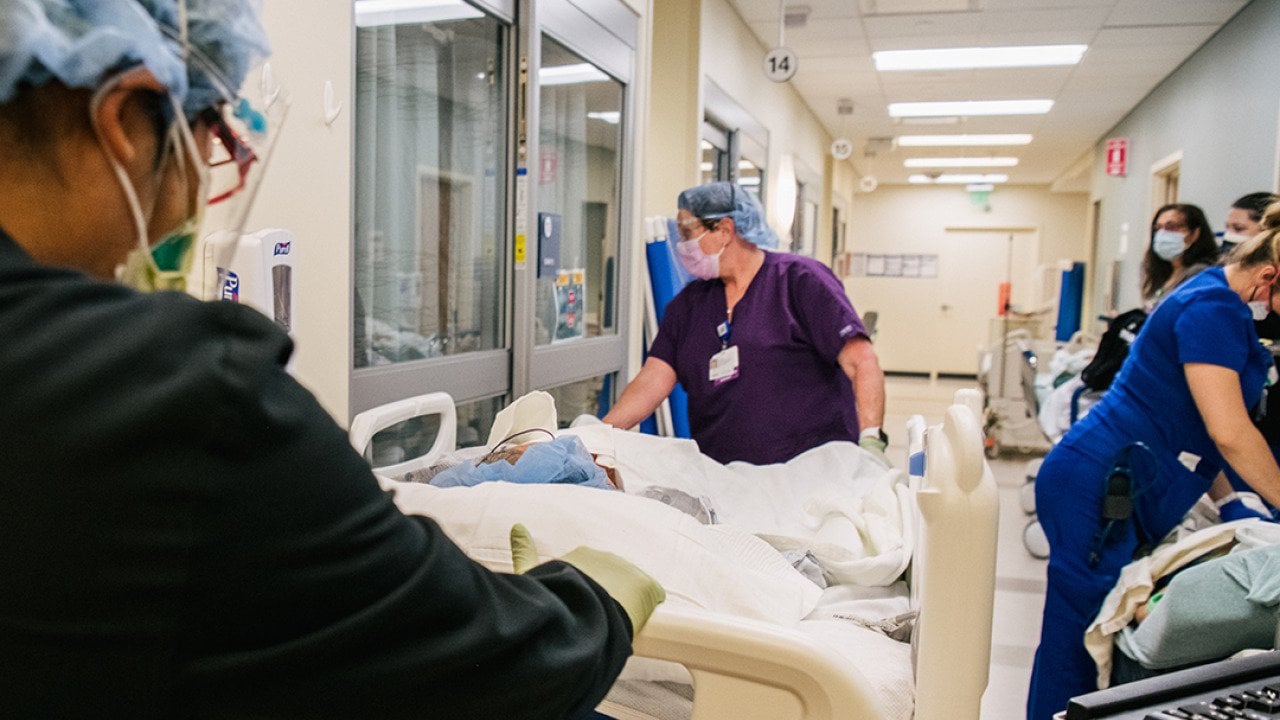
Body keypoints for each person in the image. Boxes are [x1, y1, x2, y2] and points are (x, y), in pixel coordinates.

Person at [0, 2, 662, 718]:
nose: (193, 199)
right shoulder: (178, 394)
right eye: (212, 141)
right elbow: (487, 656)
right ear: (123, 116)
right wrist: (593, 603)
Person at [1026, 202, 1280, 720]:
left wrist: (1233, 500)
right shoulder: (1212, 310)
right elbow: (1229, 431)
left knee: (1094, 629)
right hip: (1098, 485)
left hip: (1120, 483)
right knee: (1077, 639)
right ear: (1269, 278)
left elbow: (1195, 429)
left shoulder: (1214, 296)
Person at [601, 181, 886, 466]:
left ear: (725, 230)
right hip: (726, 475)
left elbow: (861, 360)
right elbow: (653, 379)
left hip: (811, 470)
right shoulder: (689, 305)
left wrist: (871, 439)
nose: (681, 246)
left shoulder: (800, 281)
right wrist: (601, 434)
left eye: (688, 233)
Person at [1140, 202, 1219, 310]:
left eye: (1171, 227)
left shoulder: (1200, 275)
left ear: (1194, 234)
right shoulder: (1160, 273)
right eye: (1158, 228)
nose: (1162, 234)